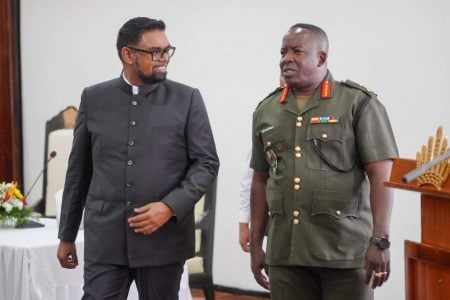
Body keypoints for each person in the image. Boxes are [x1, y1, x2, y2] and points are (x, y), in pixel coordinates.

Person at [56, 17, 219, 300]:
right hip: (106, 239)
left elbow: (207, 164)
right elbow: (78, 172)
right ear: (128, 54)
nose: (165, 58)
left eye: (168, 50)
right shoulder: (94, 98)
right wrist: (66, 235)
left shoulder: (187, 98)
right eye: (156, 51)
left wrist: (169, 207)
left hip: (163, 240)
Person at [250, 23, 398, 300]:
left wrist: (380, 240)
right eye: (283, 52)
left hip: (343, 250)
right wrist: (258, 244)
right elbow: (260, 179)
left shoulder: (357, 103)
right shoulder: (266, 110)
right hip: (286, 253)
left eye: (296, 51)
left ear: (321, 57)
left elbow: (382, 176)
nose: (286, 58)